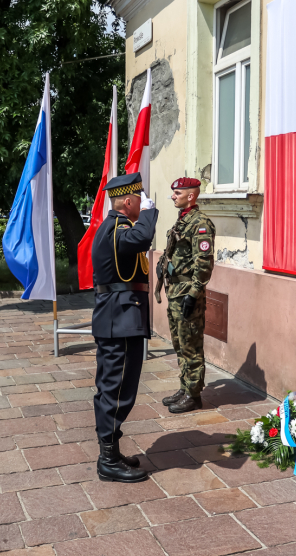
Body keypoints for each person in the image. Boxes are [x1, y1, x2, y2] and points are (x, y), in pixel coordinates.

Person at [91, 173, 158, 483]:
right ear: (129, 202)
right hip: (119, 321)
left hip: (120, 320)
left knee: (117, 388)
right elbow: (143, 238)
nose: (141, 206)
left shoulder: (115, 228)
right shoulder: (118, 229)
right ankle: (107, 460)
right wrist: (149, 212)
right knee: (116, 390)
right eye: (139, 201)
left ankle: (112, 452)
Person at [160, 177, 216, 414]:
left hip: (186, 293)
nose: (173, 196)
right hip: (175, 291)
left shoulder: (201, 224)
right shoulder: (184, 219)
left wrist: (193, 295)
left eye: (178, 193)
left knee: (191, 344)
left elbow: (204, 264)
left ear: (191, 195)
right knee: (180, 343)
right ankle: (185, 387)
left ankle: (194, 396)